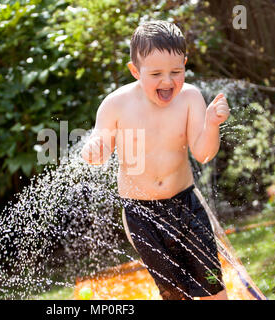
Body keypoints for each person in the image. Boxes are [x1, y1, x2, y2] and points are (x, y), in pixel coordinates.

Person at [80, 20, 230, 300]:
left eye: (176, 71)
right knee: (173, 293)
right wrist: (92, 150)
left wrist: (211, 124)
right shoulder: (116, 105)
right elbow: (98, 155)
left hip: (186, 206)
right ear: (135, 71)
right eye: (156, 73)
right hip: (141, 214)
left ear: (185, 63)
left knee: (212, 286)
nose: (167, 81)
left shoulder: (189, 98)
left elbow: (203, 154)